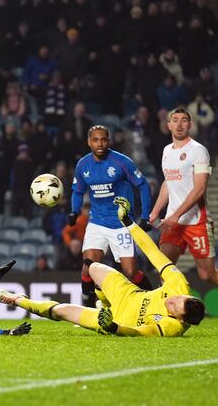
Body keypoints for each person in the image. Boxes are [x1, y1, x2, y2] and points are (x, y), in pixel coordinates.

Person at [0, 198, 205, 337]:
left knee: (61, 311)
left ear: (180, 319)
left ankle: (16, 299)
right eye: (181, 299)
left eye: (176, 306)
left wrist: (112, 327)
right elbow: (153, 253)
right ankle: (102, 303)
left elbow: (137, 333)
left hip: (116, 321)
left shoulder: (170, 328)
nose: (173, 299)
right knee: (92, 267)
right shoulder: (179, 286)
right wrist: (129, 223)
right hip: (129, 294)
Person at [149, 108, 218, 324]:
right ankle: (168, 314)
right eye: (175, 120)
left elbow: (199, 189)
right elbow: (169, 183)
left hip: (196, 221)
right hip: (173, 222)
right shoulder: (167, 150)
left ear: (189, 125)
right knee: (163, 267)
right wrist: (156, 210)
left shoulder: (198, 151)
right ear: (168, 125)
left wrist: (176, 215)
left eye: (184, 120)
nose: (179, 124)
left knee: (208, 275)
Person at [69, 125, 153, 307]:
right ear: (89, 142)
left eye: (104, 139)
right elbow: (77, 191)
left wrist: (145, 215)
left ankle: (153, 300)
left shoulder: (122, 162)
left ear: (109, 141)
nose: (100, 143)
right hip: (97, 222)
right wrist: (74, 211)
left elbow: (143, 185)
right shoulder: (82, 165)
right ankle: (88, 309)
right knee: (88, 266)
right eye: (95, 140)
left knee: (131, 272)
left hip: (121, 223)